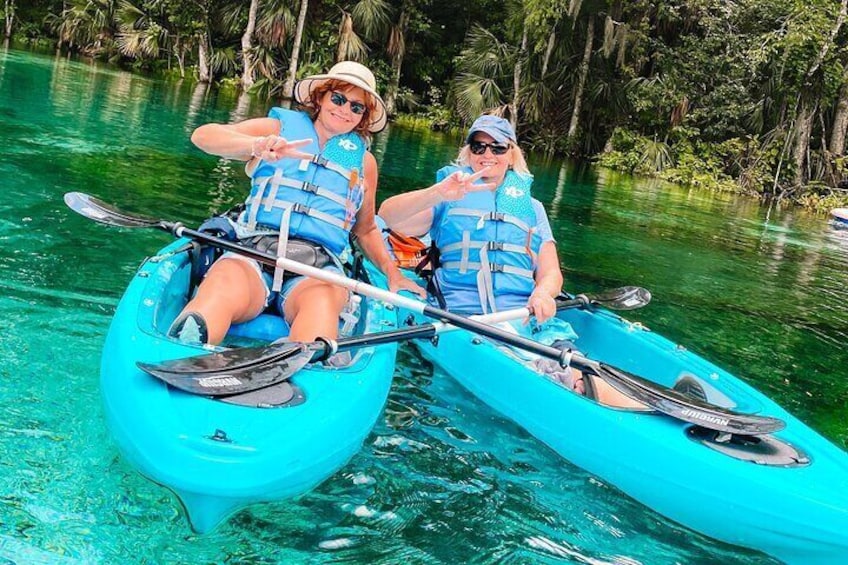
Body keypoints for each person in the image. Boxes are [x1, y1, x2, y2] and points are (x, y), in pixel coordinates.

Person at [378, 115, 645, 408]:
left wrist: (543, 293)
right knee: (560, 376)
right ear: (468, 153)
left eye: (498, 147)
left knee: (577, 368)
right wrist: (437, 192)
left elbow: (551, 273)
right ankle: (593, 394)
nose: (487, 155)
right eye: (479, 147)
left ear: (512, 154)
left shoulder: (532, 209)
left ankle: (645, 403)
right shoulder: (447, 197)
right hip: (462, 317)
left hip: (525, 319)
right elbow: (388, 216)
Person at [170, 61, 424, 348]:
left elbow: (365, 230)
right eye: (338, 99)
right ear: (321, 97)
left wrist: (393, 273)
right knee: (223, 283)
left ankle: (303, 359)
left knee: (322, 305)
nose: (345, 110)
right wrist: (257, 147)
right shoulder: (277, 129)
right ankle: (185, 345)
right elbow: (203, 135)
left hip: (319, 267)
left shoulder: (363, 162)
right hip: (253, 250)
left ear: (363, 117)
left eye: (356, 107)